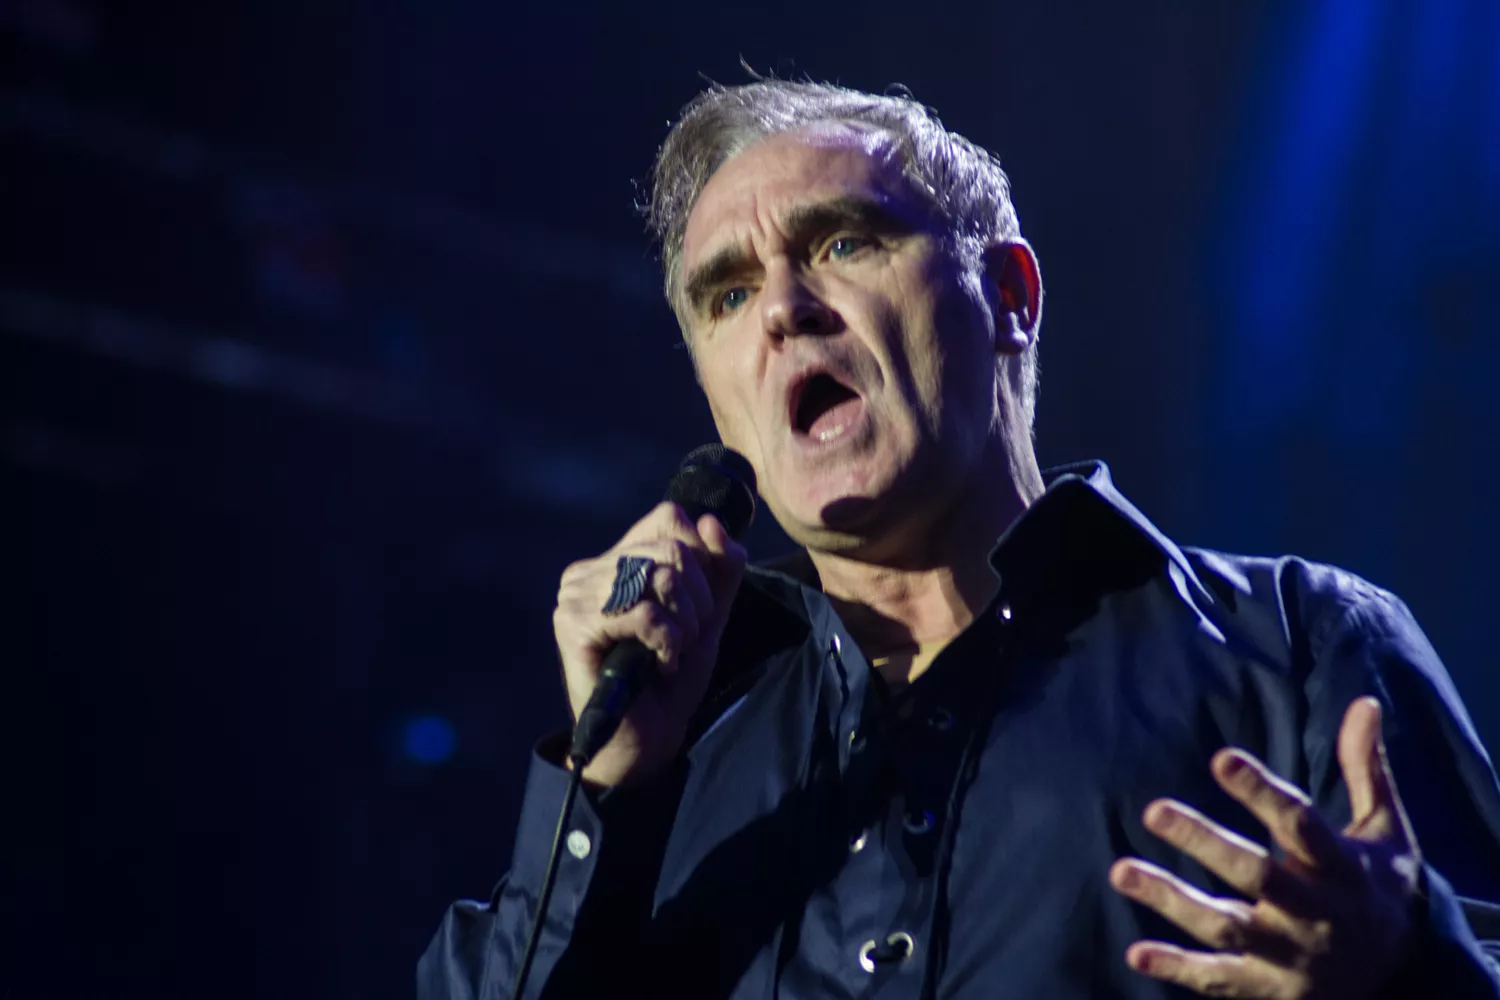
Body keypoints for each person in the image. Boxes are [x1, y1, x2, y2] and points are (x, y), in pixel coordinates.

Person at [418, 78, 1500, 999]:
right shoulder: (672, 752)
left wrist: (1407, 968)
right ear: (714, 397)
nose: (783, 310)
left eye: (843, 241)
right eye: (730, 294)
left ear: (1010, 298)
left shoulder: (1301, 647)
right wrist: (605, 790)